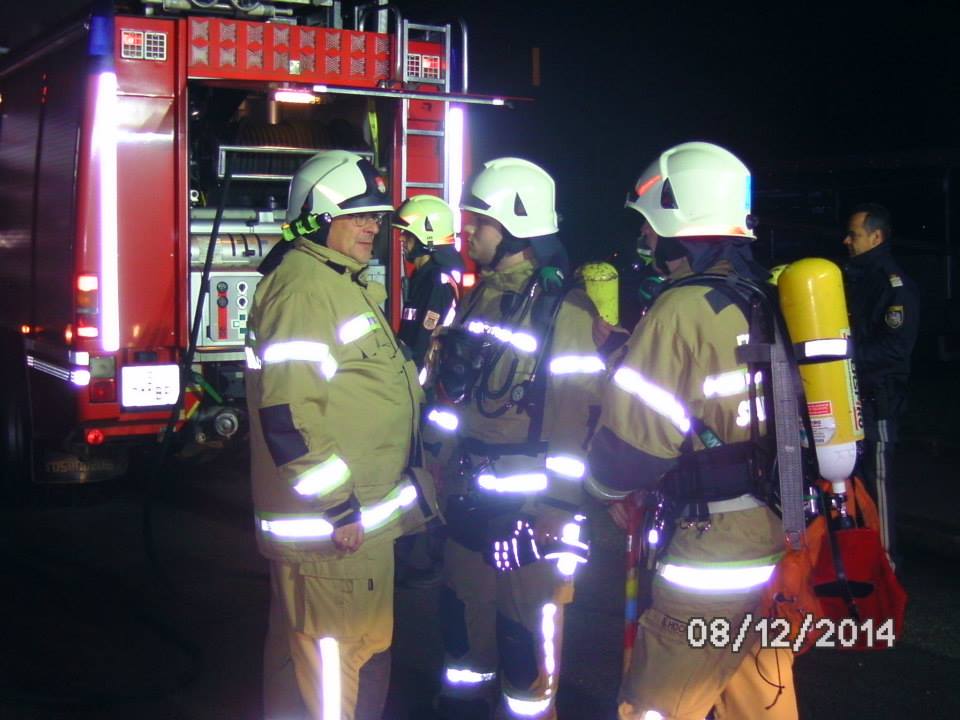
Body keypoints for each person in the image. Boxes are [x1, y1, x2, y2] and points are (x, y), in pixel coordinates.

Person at [587, 141, 799, 720]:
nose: (644, 236)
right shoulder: (764, 296)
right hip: (777, 532)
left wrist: (603, 491)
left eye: (650, 224)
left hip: (712, 548)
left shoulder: (679, 308)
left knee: (654, 705)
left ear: (679, 225)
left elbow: (632, 448)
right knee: (758, 695)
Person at [245, 149, 437, 720]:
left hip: (345, 531)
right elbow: (289, 413)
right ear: (319, 218)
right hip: (335, 538)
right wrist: (339, 505)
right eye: (357, 216)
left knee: (304, 665)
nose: (373, 227)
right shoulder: (306, 290)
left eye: (375, 216)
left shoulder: (332, 281)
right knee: (339, 665)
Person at [422, 157, 602, 720]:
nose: (468, 231)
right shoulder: (480, 295)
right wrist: (437, 465)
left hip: (528, 511)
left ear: (515, 228)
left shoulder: (565, 311)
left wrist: (556, 506)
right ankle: (462, 708)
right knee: (463, 621)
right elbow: (458, 398)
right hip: (467, 495)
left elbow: (576, 414)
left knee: (524, 637)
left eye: (479, 221)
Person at [842, 203, 919, 569]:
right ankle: (862, 563)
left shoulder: (892, 284)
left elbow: (895, 348)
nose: (846, 241)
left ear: (876, 237)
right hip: (853, 397)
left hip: (880, 400)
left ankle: (887, 566)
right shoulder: (857, 279)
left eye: (853, 235)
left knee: (878, 482)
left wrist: (844, 357)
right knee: (853, 482)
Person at [394, 194, 465, 371]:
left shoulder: (438, 282)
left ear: (427, 237)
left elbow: (424, 343)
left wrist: (413, 381)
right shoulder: (422, 276)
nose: (401, 239)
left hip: (421, 379)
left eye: (408, 234)